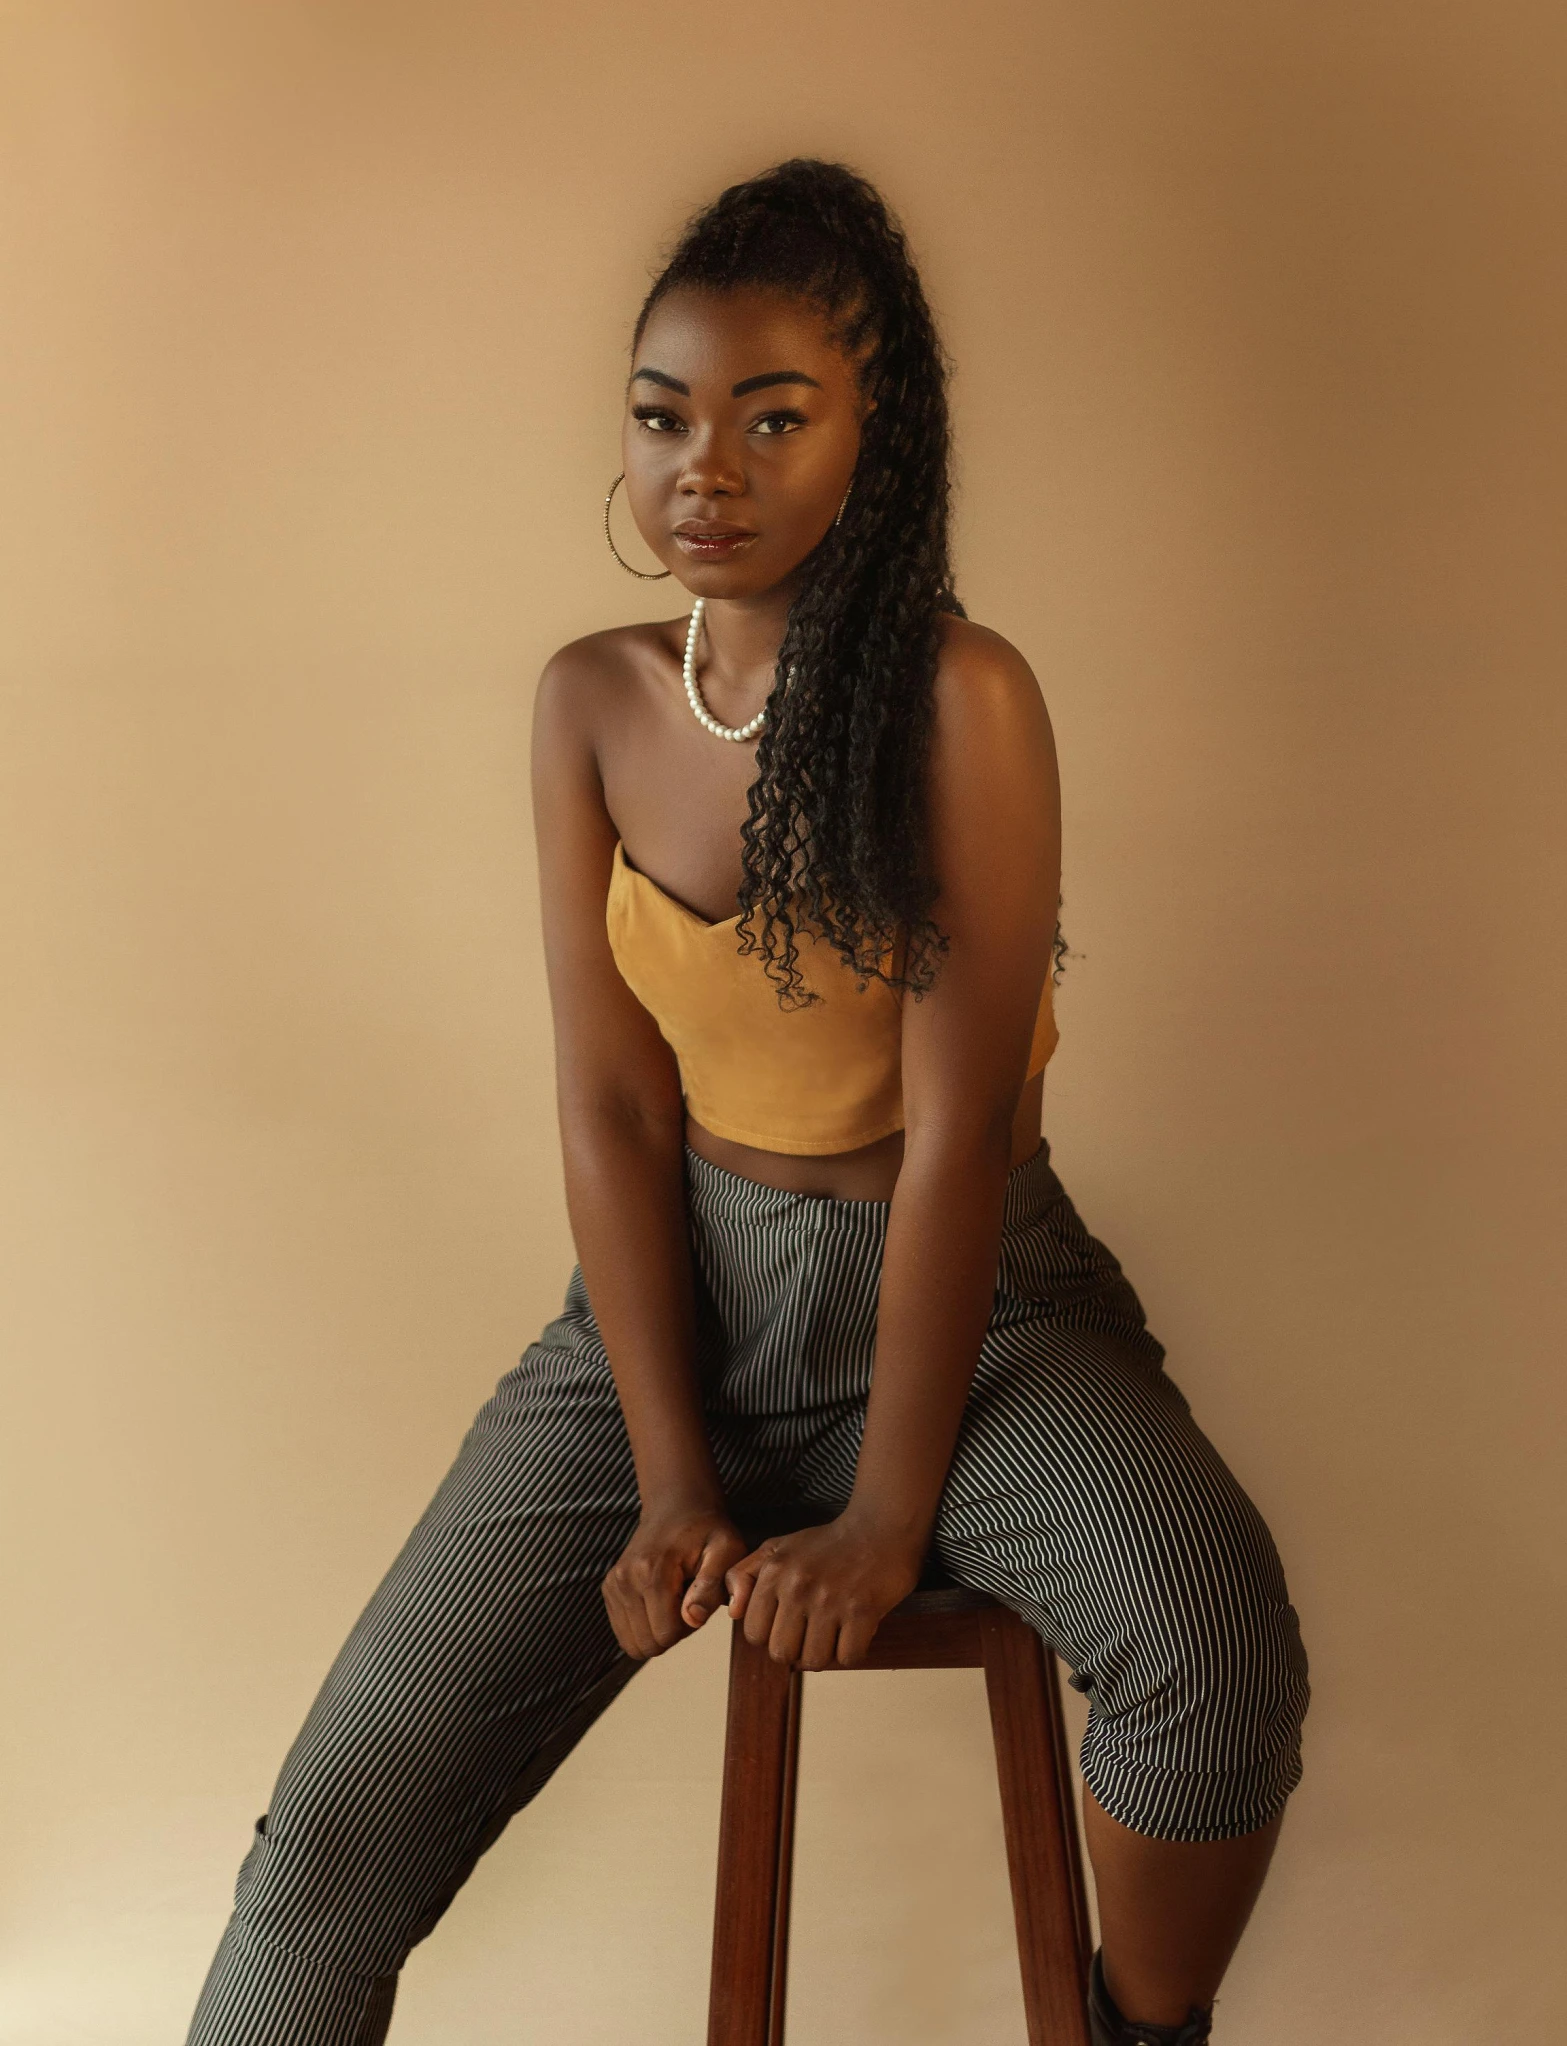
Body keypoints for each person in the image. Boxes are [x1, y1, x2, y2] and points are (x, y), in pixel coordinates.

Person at [186, 158, 1308, 2046]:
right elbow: (612, 1117)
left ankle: (1141, 2028)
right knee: (326, 1846)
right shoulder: (588, 704)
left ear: (874, 440)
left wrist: (883, 1516)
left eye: (771, 416)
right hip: (670, 1314)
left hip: (978, 1315)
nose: (703, 462)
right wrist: (672, 1476)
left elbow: (954, 1130)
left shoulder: (965, 703)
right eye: (662, 416)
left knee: (1210, 1628)